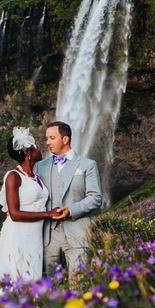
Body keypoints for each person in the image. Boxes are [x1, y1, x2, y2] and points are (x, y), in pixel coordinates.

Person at [0, 127, 65, 294]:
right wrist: (48, 214)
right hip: (17, 234)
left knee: (32, 274)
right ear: (27, 152)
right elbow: (14, 214)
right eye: (35, 146)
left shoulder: (36, 177)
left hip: (34, 235)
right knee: (12, 274)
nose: (39, 148)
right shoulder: (13, 176)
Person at [36, 121, 103, 283]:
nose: (47, 142)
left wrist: (70, 210)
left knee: (79, 284)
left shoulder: (88, 165)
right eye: (47, 138)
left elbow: (96, 198)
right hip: (48, 236)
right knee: (52, 287)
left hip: (77, 233)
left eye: (52, 138)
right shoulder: (39, 166)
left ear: (65, 139)